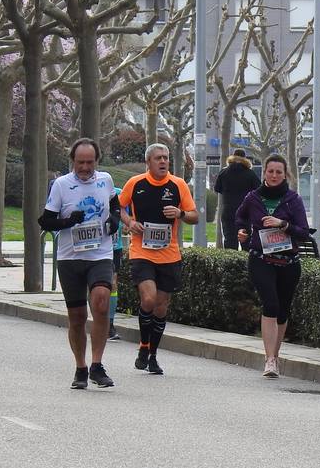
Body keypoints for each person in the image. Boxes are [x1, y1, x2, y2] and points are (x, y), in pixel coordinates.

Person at [37, 138, 119, 388]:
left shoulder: (106, 180)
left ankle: (97, 365)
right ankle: (80, 367)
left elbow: (115, 204)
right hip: (70, 257)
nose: (85, 167)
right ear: (72, 161)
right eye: (80, 162)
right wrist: (68, 221)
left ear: (97, 161)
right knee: (77, 317)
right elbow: (45, 221)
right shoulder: (62, 185)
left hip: (100, 254)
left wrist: (114, 219)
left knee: (101, 302)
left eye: (90, 162)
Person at [119, 143, 199, 375]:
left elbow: (194, 216)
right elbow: (118, 207)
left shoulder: (178, 184)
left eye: (166, 158)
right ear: (148, 162)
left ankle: (152, 354)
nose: (163, 162)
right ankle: (143, 346)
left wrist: (181, 213)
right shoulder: (135, 184)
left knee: (162, 307)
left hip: (169, 254)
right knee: (149, 299)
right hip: (142, 252)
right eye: (158, 158)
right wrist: (130, 222)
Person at [236, 154, 310, 377]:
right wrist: (243, 233)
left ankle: (275, 356)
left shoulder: (292, 199)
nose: (275, 175)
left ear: (285, 174)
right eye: (271, 171)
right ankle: (269, 360)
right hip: (261, 259)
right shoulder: (253, 197)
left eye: (279, 172)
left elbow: (304, 233)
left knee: (282, 310)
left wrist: (283, 224)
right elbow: (239, 218)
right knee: (270, 304)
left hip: (288, 262)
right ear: (264, 173)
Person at [213, 148, 260, 250]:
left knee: (229, 242)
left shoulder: (224, 172)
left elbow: (217, 189)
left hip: (228, 211)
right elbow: (258, 190)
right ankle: (246, 265)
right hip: (245, 213)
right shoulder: (250, 173)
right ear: (245, 158)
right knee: (246, 243)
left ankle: (231, 265)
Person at [107, 186, 124, 341]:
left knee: (113, 283)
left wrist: (127, 225)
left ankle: (109, 325)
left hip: (115, 248)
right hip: (96, 248)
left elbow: (126, 216)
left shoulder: (119, 193)